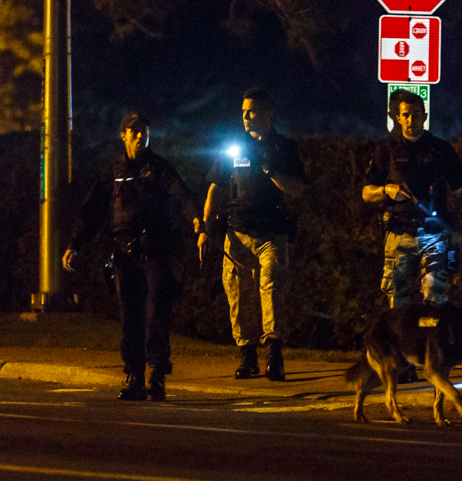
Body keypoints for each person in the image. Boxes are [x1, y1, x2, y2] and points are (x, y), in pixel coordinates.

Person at [63, 111, 200, 401]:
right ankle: (134, 375)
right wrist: (75, 244)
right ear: (123, 135)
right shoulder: (112, 172)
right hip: (123, 252)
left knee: (155, 311)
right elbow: (92, 211)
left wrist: (197, 220)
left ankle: (157, 373)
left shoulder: (160, 169)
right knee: (130, 317)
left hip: (154, 249)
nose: (140, 135)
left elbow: (182, 195)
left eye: (144, 130)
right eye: (134, 131)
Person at [198, 88, 304, 382]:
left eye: (252, 111)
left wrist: (269, 169)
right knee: (237, 293)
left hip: (272, 232)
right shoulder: (234, 147)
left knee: (271, 289)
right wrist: (206, 229)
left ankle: (274, 355)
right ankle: (247, 356)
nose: (246, 117)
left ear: (268, 113)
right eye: (243, 111)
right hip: (237, 232)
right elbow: (215, 188)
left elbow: (297, 189)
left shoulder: (283, 148)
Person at [363, 89, 462, 309]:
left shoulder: (441, 150)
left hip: (434, 233)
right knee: (397, 303)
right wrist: (386, 190)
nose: (411, 120)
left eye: (417, 114)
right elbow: (366, 192)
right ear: (398, 117)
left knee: (435, 297)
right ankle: (404, 343)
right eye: (406, 115)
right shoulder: (386, 149)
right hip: (398, 231)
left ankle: (432, 342)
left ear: (425, 116)